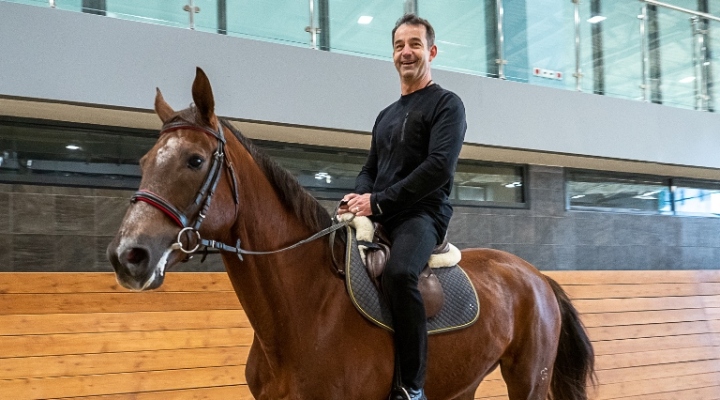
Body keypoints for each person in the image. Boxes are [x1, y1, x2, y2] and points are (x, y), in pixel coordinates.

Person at [338, 14, 467, 400]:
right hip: (380, 212)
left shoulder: (447, 104)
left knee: (398, 275)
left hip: (422, 214)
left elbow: (438, 168)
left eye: (414, 44)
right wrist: (357, 197)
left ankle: (412, 387)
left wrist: (376, 200)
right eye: (399, 46)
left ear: (431, 51)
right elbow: (370, 169)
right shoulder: (385, 115)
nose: (406, 52)